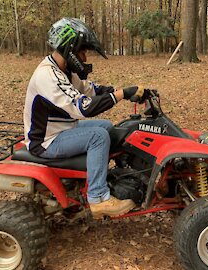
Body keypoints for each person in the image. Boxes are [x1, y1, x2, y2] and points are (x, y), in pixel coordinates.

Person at [22, 17, 143, 219]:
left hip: (62, 130)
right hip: (45, 141)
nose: (85, 57)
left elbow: (91, 90)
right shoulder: (47, 76)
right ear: (70, 48)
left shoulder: (64, 71)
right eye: (83, 51)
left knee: (106, 126)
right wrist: (120, 95)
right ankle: (98, 198)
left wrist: (124, 91)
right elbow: (84, 107)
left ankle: (112, 176)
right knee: (98, 136)